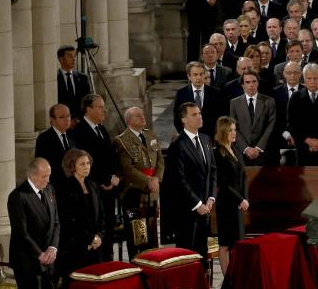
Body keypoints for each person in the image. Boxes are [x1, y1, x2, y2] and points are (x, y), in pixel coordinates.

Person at [7, 157, 60, 289]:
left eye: (49, 176)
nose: (48, 180)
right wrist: (40, 253)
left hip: (48, 256)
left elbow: (56, 222)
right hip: (27, 259)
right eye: (44, 176)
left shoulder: (50, 189)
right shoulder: (18, 196)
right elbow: (22, 232)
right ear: (32, 175)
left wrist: (53, 248)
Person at [161, 103, 216, 257]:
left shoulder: (206, 139)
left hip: (205, 209)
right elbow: (179, 180)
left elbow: (212, 171)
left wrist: (210, 198)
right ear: (184, 119)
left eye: (199, 113)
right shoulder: (178, 145)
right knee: (187, 255)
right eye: (194, 114)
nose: (199, 117)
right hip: (187, 211)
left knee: (202, 254)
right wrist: (197, 203)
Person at [70, 93, 120, 259]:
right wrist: (106, 179)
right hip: (93, 188)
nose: (103, 110)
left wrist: (115, 176)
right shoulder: (79, 132)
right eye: (99, 107)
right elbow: (86, 162)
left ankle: (109, 259)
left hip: (109, 189)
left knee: (108, 226)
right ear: (88, 109)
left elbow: (111, 156)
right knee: (96, 227)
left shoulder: (102, 129)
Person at [114, 106, 163, 256]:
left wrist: (157, 178)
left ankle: (153, 264)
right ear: (129, 121)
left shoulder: (150, 135)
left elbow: (160, 160)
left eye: (142, 114)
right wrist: (148, 180)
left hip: (152, 192)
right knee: (139, 236)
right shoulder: (122, 141)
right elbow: (127, 168)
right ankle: (140, 264)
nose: (143, 117)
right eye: (137, 116)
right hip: (135, 194)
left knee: (153, 234)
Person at [56, 149, 106, 286]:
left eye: (88, 163)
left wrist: (99, 236)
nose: (86, 167)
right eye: (82, 164)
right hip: (76, 247)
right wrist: (89, 239)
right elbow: (70, 220)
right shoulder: (65, 188)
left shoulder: (92, 185)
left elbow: (101, 214)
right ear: (72, 166)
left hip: (96, 245)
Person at [212, 117, 248, 278]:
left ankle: (235, 276)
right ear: (223, 132)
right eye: (231, 130)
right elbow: (224, 183)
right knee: (225, 243)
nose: (234, 133)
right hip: (226, 204)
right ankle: (227, 279)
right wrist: (240, 199)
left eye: (235, 130)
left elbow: (244, 177)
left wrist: (244, 199)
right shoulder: (217, 154)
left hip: (238, 204)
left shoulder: (237, 150)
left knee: (237, 242)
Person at [229, 70, 277, 165]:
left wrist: (258, 148)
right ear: (243, 85)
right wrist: (246, 149)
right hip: (242, 153)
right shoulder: (234, 103)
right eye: (247, 82)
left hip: (264, 153)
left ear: (258, 83)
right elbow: (234, 128)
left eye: (254, 81)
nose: (251, 85)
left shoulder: (269, 101)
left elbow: (271, 126)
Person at [174, 61, 225, 137]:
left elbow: (220, 116)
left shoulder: (215, 92)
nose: (199, 77)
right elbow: (177, 118)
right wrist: (187, 135)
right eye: (195, 75)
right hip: (189, 137)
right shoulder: (181, 93)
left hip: (211, 137)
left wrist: (215, 135)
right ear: (189, 76)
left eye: (201, 74)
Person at [35, 104, 78, 188]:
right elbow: (42, 166)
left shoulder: (72, 135)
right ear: (52, 120)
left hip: (74, 186)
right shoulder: (44, 138)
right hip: (55, 187)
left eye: (68, 116)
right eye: (62, 117)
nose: (67, 120)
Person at [56, 46, 92, 122]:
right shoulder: (54, 80)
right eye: (69, 56)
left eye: (74, 56)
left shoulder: (83, 78)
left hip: (80, 122)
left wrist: (78, 120)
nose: (74, 59)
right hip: (62, 123)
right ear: (61, 59)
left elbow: (87, 102)